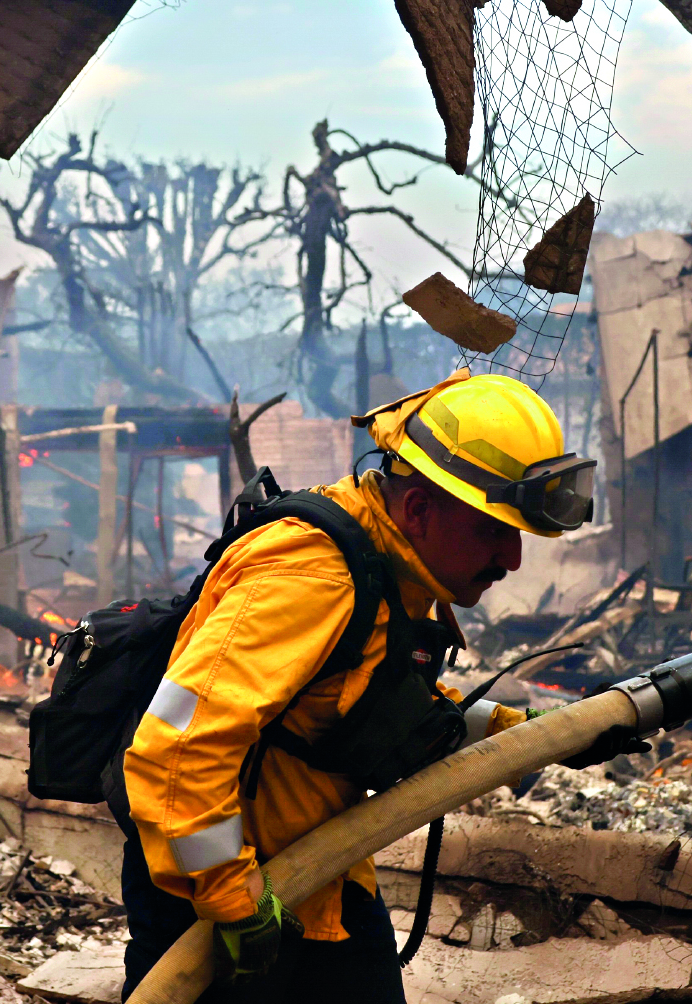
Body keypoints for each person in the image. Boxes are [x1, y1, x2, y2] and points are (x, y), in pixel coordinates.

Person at [119, 368, 598, 999]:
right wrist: (230, 901)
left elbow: (368, 705)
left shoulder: (392, 560)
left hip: (322, 880)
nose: (511, 558)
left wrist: (526, 738)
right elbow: (177, 745)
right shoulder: (312, 577)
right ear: (420, 508)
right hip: (225, 895)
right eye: (491, 529)